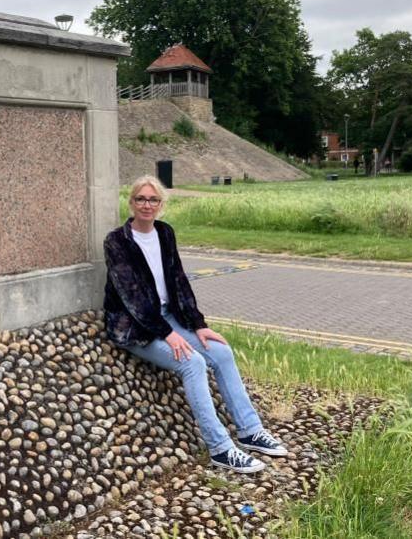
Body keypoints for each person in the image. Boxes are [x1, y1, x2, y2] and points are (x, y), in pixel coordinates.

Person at [103, 175, 286, 474]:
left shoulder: (164, 233)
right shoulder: (117, 241)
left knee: (222, 353)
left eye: (153, 200)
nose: (146, 205)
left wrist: (198, 325)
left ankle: (250, 431)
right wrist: (169, 334)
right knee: (193, 362)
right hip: (135, 326)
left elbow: (179, 281)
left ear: (161, 205)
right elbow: (133, 297)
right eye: (141, 199)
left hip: (169, 316)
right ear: (131, 202)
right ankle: (220, 449)